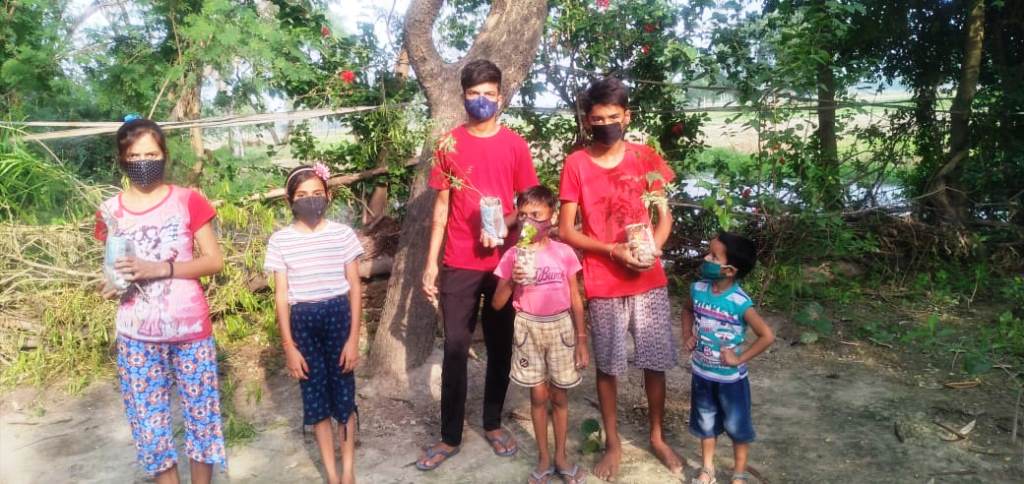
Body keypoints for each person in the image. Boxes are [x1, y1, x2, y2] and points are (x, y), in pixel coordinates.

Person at [417, 59, 540, 471]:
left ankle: (492, 422)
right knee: (455, 346)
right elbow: (441, 207)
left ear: (500, 97)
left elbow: (530, 208)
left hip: (503, 262)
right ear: (463, 97)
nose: (481, 100)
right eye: (474, 94)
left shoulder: (515, 146)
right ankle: (449, 435)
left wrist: (505, 227)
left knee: (501, 343)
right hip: (459, 260)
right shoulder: (448, 144)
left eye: (489, 93)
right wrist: (431, 263)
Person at [557, 77, 682, 480]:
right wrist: (613, 251)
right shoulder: (576, 164)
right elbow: (566, 230)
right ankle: (613, 443)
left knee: (655, 361)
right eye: (597, 119)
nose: (606, 124)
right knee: (608, 366)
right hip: (604, 280)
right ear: (587, 121)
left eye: (613, 117)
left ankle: (657, 437)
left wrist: (651, 251)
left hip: (649, 278)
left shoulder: (645, 158)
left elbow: (664, 217)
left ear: (627, 116)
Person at [96, 116, 226, 483]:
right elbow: (113, 266)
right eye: (135, 156)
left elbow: (214, 261)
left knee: (202, 420)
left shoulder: (188, 201)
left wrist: (159, 268)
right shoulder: (109, 211)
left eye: (151, 154)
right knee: (150, 428)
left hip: (190, 330)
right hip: (136, 335)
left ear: (164, 155)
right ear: (122, 160)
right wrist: (113, 283)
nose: (144, 162)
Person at [263, 163, 364, 484]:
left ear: (328, 195)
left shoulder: (343, 234)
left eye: (317, 193)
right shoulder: (280, 241)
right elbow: (281, 295)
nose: (311, 200)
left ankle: (347, 472)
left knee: (344, 395)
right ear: (289, 200)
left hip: (338, 317)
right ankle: (331, 475)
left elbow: (355, 287)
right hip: (302, 323)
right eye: (302, 195)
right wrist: (289, 347)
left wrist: (353, 339)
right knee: (316, 398)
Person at [492, 186, 589, 484]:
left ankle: (561, 456)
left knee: (559, 396)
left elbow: (575, 298)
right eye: (523, 215)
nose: (528, 221)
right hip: (527, 328)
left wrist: (581, 340)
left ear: (552, 217)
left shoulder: (563, 252)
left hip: (560, 328)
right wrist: (512, 281)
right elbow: (496, 303)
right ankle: (544, 458)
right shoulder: (513, 255)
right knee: (537, 396)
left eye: (536, 214)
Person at [681, 232, 775, 484]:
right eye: (708, 252)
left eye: (714, 256)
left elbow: (766, 336)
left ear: (730, 270)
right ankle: (707, 470)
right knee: (706, 424)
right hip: (702, 375)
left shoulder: (739, 302)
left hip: (731, 381)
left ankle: (739, 475)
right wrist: (687, 335)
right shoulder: (698, 290)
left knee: (737, 427)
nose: (706, 258)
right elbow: (687, 310)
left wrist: (739, 358)